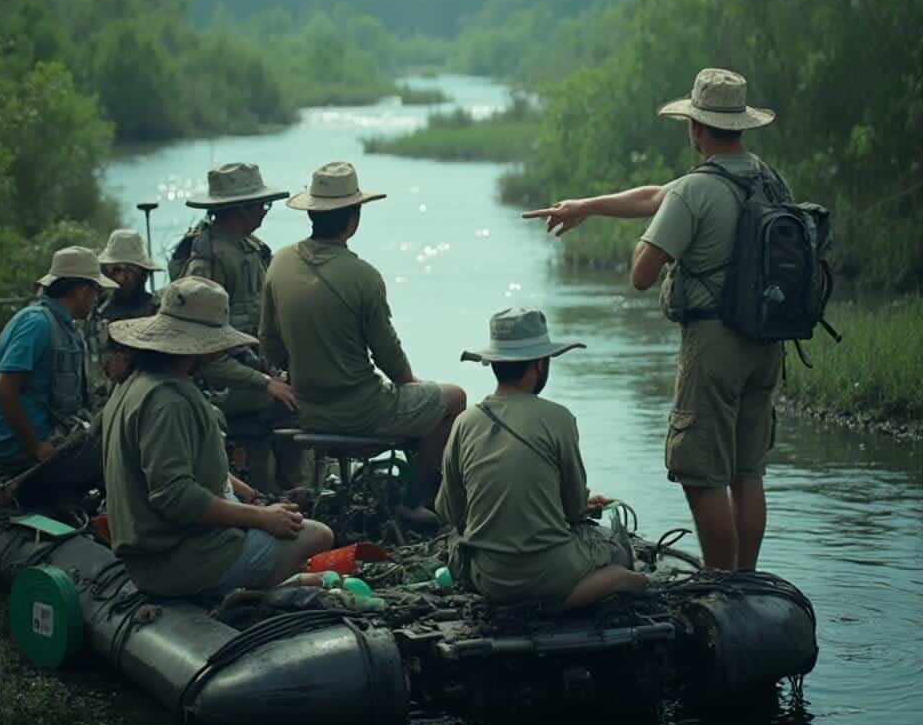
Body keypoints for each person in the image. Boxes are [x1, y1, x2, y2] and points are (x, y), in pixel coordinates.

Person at [523, 68, 786, 570]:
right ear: (741, 127)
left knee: (702, 471)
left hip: (715, 344)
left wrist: (657, 244)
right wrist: (588, 207)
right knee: (747, 470)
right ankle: (746, 580)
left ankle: (719, 582)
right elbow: (653, 197)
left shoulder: (697, 189)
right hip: (767, 340)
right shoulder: (767, 179)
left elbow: (642, 273)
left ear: (697, 128)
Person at [101, 276, 333, 600]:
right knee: (316, 535)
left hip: (156, 553)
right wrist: (262, 518)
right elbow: (176, 497)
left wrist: (247, 493)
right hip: (177, 562)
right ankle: (251, 601)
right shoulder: (170, 401)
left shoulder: (135, 383)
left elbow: (176, 461)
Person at [261, 161, 466, 522]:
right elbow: (388, 356)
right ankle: (420, 503)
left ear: (312, 213)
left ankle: (414, 499)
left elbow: (270, 344)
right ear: (353, 218)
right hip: (363, 410)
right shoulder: (364, 276)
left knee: (428, 401)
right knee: (453, 397)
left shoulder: (279, 263)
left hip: (308, 408)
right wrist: (414, 386)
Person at [435, 307, 648, 610]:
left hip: (487, 578)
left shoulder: (464, 422)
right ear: (539, 364)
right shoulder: (558, 418)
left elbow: (448, 510)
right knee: (617, 551)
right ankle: (580, 594)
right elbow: (574, 510)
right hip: (553, 573)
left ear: (494, 363)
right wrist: (580, 507)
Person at [181, 163, 301, 492]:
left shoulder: (252, 250)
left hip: (254, 376)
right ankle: (279, 496)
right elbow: (201, 351)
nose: (264, 212)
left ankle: (295, 492)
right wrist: (265, 382)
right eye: (261, 206)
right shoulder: (209, 263)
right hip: (224, 390)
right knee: (297, 408)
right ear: (242, 210)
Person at [0, 246, 116, 507]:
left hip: (48, 436)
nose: (96, 299)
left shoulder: (65, 328)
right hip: (23, 449)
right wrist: (36, 447)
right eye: (96, 291)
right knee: (119, 451)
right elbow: (3, 391)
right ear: (82, 290)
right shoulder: (37, 324)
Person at [83, 229, 162, 409]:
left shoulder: (158, 312)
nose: (121, 278)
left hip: (148, 404)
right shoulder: (95, 315)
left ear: (143, 273)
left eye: (129, 271)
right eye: (116, 270)